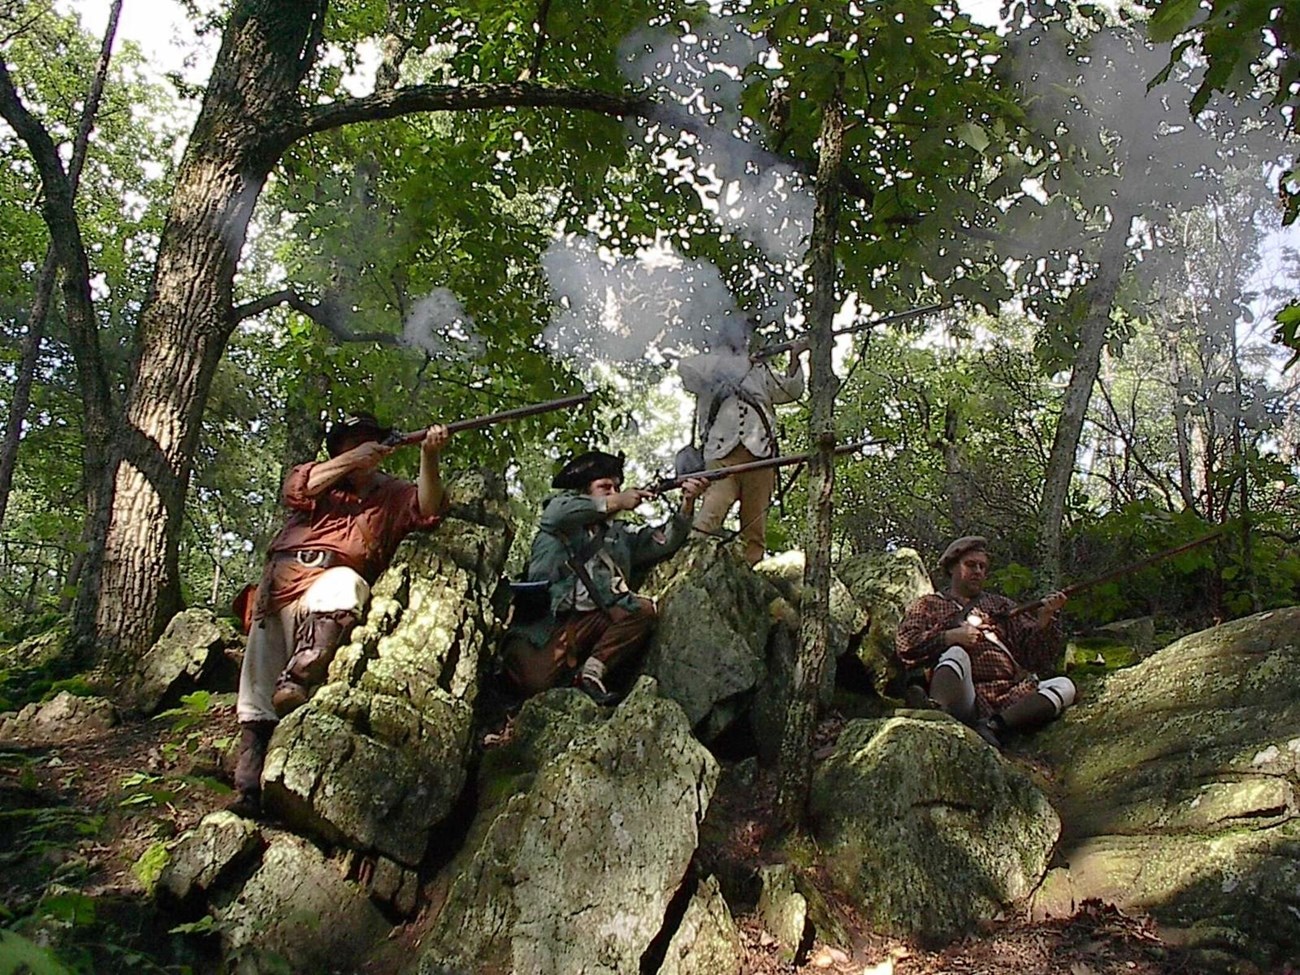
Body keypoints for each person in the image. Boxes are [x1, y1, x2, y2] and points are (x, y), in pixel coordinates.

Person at [230, 411, 451, 817]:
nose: (359, 446)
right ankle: (248, 789)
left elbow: (428, 508)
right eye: (351, 441)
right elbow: (297, 487)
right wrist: (353, 460)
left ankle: (298, 680)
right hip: (277, 587)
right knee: (255, 693)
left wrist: (430, 457)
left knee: (344, 585)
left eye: (367, 440)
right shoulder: (318, 480)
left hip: (327, 584)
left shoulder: (391, 493)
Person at [504, 450, 708, 705]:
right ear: (584, 491)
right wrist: (618, 502)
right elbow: (557, 513)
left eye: (616, 487)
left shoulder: (619, 534)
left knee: (641, 610)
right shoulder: (560, 514)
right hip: (547, 625)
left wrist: (687, 504)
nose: (613, 492)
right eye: (604, 487)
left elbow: (664, 542)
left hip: (593, 621)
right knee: (534, 683)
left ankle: (592, 672)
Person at [894, 535, 1076, 747]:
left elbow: (1035, 657)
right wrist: (949, 637)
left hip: (1008, 695)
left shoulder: (1000, 604)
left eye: (982, 567)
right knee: (956, 654)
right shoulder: (928, 605)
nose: (978, 571)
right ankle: (937, 716)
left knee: (1065, 686)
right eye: (971, 565)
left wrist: (1044, 620)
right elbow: (906, 643)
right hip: (963, 695)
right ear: (952, 568)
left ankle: (993, 726)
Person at [677, 317, 807, 566]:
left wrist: (794, 357)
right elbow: (686, 370)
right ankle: (689, 566)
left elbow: (790, 391)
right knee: (710, 514)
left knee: (754, 525)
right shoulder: (707, 365)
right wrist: (733, 364)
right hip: (721, 453)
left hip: (760, 454)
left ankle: (751, 572)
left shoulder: (760, 370)